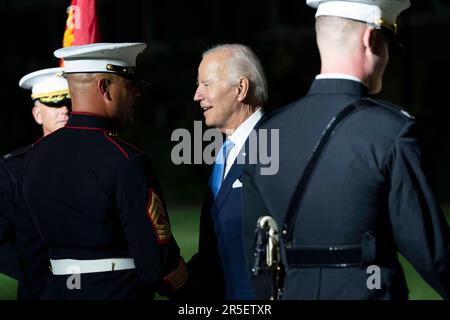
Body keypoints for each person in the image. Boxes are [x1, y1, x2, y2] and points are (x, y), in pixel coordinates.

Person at [241, 0, 450, 300]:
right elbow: (434, 254)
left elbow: (256, 247)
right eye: (387, 45)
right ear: (369, 39)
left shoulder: (265, 132)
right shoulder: (391, 131)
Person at [16, 43, 190, 300]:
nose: (136, 95)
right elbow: (157, 265)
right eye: (130, 86)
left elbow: (30, 259)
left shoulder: (32, 158)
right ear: (105, 88)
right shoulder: (126, 161)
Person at [189, 44, 268, 299]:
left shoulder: (275, 147)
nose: (197, 95)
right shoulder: (224, 152)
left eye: (206, 84)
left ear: (241, 89)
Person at [0, 67, 70, 299]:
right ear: (37, 114)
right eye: (54, 103)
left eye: (69, 102)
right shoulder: (13, 169)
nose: (64, 110)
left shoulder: (99, 159)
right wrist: (43, 274)